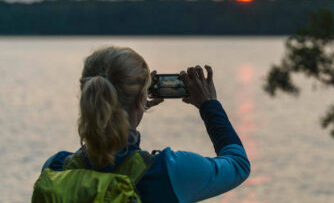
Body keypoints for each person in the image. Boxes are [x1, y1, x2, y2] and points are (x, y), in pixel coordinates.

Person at [38, 46, 250, 202]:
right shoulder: (169, 172)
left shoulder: (55, 167)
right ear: (141, 98)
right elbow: (238, 164)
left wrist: (130, 110)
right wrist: (209, 105)